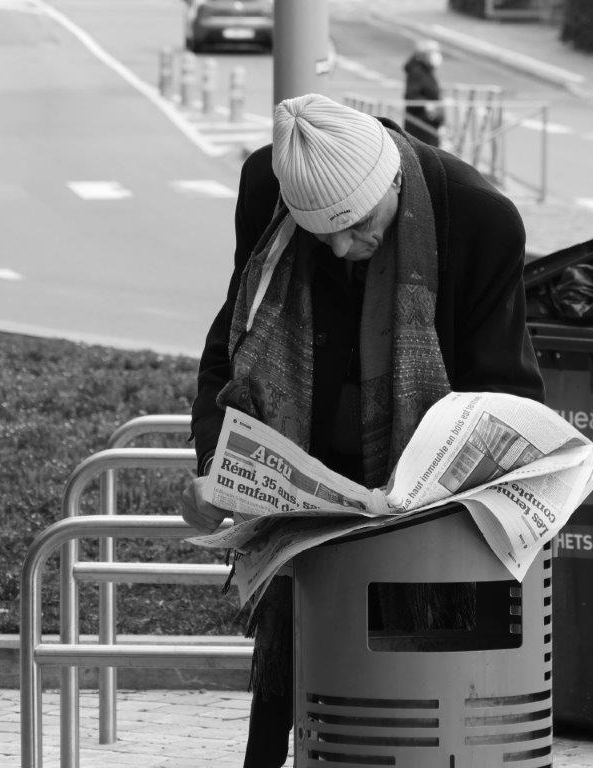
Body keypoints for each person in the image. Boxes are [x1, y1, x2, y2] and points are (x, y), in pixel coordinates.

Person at [181, 93, 544, 768]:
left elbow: (508, 399)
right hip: (309, 483)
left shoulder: (479, 219)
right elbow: (231, 353)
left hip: (427, 505)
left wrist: (426, 492)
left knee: (412, 708)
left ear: (393, 183)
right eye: (322, 236)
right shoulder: (268, 187)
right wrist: (214, 466)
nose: (344, 248)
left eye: (358, 226)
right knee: (294, 665)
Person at [403, 39, 445, 146]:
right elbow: (411, 96)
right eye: (433, 52)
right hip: (421, 126)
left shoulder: (426, 71)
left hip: (428, 125)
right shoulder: (417, 72)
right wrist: (427, 105)